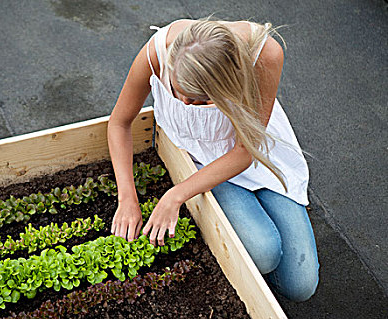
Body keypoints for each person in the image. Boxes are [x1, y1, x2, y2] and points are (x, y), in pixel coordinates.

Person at [107, 18, 319, 302]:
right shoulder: (156, 54)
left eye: (199, 101)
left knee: (301, 288)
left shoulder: (266, 56)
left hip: (253, 156)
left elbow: (246, 151)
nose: (183, 102)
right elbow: (119, 123)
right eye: (178, 91)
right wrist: (127, 198)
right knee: (264, 253)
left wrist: (175, 196)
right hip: (203, 162)